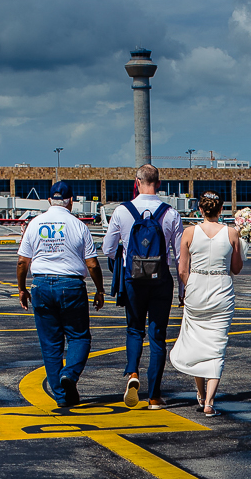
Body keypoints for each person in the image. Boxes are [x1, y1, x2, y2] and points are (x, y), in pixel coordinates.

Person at [16, 180, 103, 410]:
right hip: (71, 285)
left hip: (42, 284)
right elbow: (92, 264)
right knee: (79, 337)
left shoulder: (35, 224)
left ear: (48, 201)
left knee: (51, 344)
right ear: (71, 201)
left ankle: (62, 396)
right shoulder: (78, 225)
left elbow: (23, 261)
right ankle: (70, 375)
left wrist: (22, 288)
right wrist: (100, 289)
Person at [102, 164, 183, 410]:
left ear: (136, 182)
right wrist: (182, 290)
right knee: (158, 336)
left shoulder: (122, 211)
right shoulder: (171, 213)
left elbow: (107, 249)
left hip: (133, 279)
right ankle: (155, 396)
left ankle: (133, 374)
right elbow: (180, 257)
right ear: (158, 183)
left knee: (134, 329)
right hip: (161, 281)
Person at [168, 191, 243, 417]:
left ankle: (201, 394)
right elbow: (237, 268)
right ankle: (209, 401)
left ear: (200, 210)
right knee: (216, 345)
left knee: (197, 342)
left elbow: (182, 269)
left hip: (196, 289)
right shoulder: (231, 233)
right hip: (221, 291)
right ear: (221, 210)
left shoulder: (189, 232)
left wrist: (191, 287)